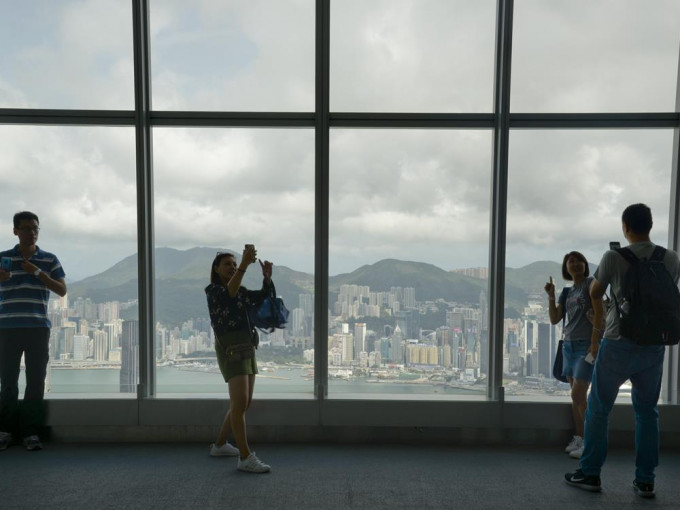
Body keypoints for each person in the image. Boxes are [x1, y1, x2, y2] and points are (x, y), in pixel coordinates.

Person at [565, 204, 680, 497]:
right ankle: (645, 479)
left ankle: (590, 473)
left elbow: (594, 292)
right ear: (650, 226)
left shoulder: (613, 257)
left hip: (618, 341)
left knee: (599, 408)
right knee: (647, 412)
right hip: (654, 345)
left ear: (625, 227)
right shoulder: (670, 258)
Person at [0, 211, 67, 451]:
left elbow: (62, 290)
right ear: (15, 230)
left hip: (38, 328)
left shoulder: (49, 259)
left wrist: (37, 272)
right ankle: (5, 430)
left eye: (35, 228)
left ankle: (31, 432)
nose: (32, 232)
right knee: (7, 382)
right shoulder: (2, 258)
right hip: (7, 328)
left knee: (36, 381)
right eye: (26, 228)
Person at [205, 245, 273, 473]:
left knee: (243, 403)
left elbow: (261, 297)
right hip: (231, 349)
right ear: (216, 269)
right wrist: (245, 263)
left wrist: (266, 279)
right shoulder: (214, 291)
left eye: (234, 264)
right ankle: (245, 457)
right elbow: (229, 294)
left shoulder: (240, 290)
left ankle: (220, 444)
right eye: (227, 264)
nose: (232, 268)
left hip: (247, 346)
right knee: (239, 403)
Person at [545, 251, 595, 460]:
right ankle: (580, 437)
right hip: (569, 345)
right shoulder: (567, 292)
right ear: (566, 268)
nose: (575, 264)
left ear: (585, 265)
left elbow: (603, 310)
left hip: (586, 346)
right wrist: (551, 296)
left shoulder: (591, 284)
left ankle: (592, 441)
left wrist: (596, 340)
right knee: (576, 398)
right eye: (570, 261)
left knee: (578, 394)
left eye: (578, 261)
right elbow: (555, 319)